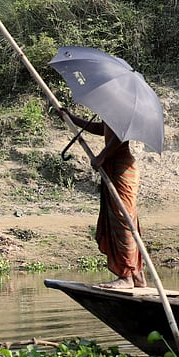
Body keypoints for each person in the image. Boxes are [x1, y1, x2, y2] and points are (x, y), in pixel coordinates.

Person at [67, 110, 145, 289]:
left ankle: (127, 275)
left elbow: (119, 135)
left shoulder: (122, 107)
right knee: (123, 219)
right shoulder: (112, 106)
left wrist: (102, 156)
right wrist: (73, 118)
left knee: (123, 220)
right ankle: (136, 276)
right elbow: (104, 129)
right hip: (113, 165)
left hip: (121, 167)